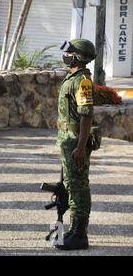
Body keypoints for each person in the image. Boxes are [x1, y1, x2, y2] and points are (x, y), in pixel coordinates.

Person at [55, 39, 97, 250]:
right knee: (70, 185)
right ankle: (73, 229)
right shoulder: (72, 78)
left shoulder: (82, 82)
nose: (66, 55)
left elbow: (86, 115)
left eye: (70, 52)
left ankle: (80, 234)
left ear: (78, 56)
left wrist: (81, 147)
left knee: (78, 187)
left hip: (74, 142)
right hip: (67, 140)